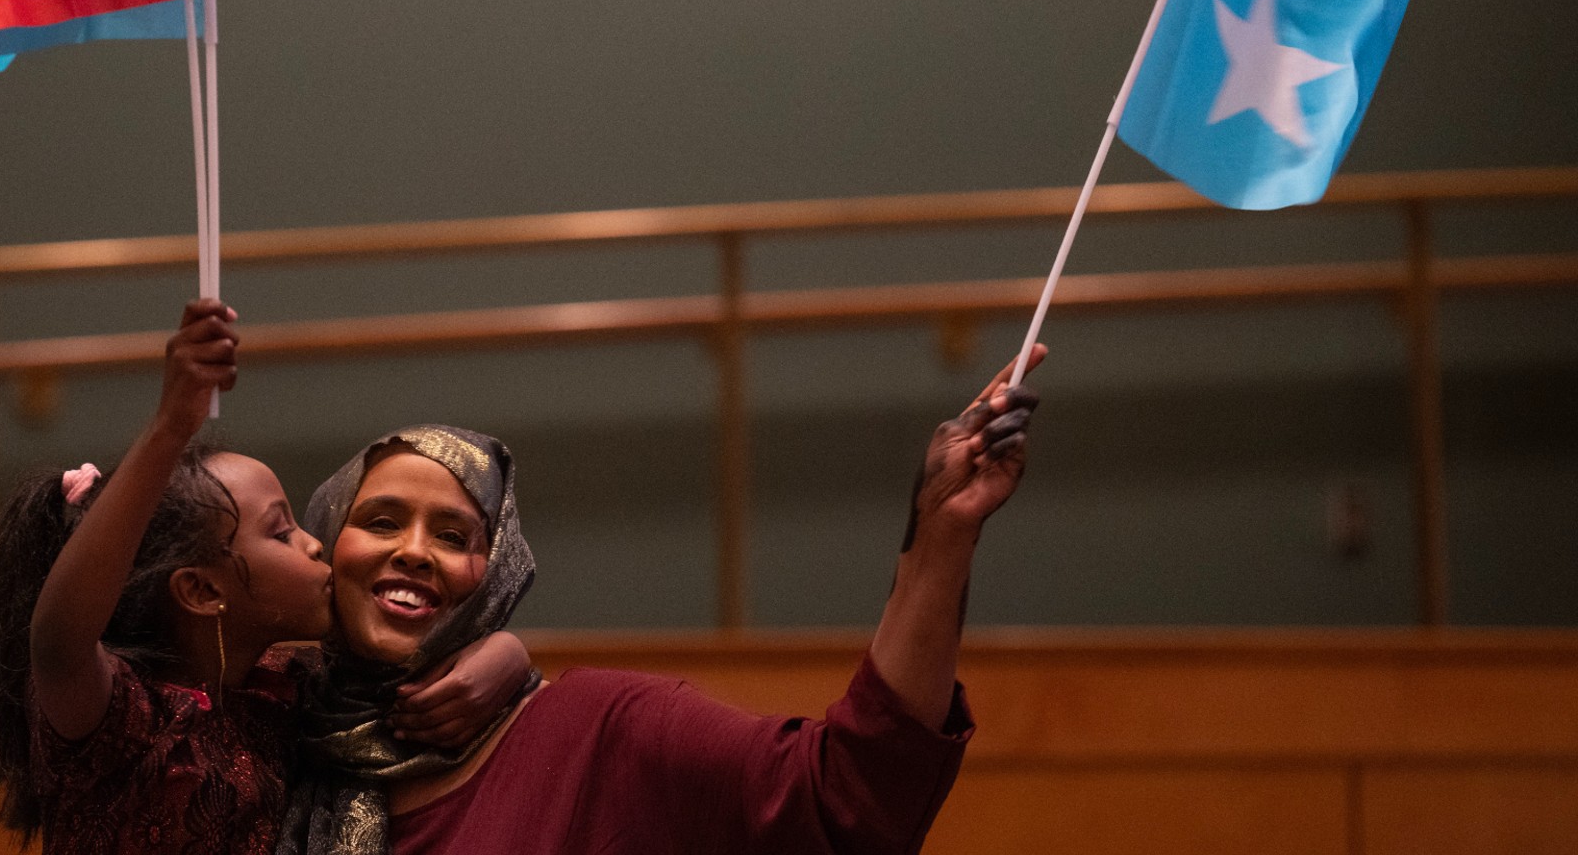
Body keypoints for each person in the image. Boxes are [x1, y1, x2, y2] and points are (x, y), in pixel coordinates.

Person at [279, 346, 1045, 855]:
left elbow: (850, 797)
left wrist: (940, 538)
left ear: (497, 576)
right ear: (323, 541)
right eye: (381, 521)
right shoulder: (262, 734)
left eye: (453, 535)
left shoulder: (602, 731)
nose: (414, 549)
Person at [0, 299, 533, 855]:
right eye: (281, 532)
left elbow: (388, 682)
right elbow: (58, 640)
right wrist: (169, 426)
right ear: (203, 591)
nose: (313, 542)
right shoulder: (121, 722)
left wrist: (506, 653)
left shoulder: (283, 691)